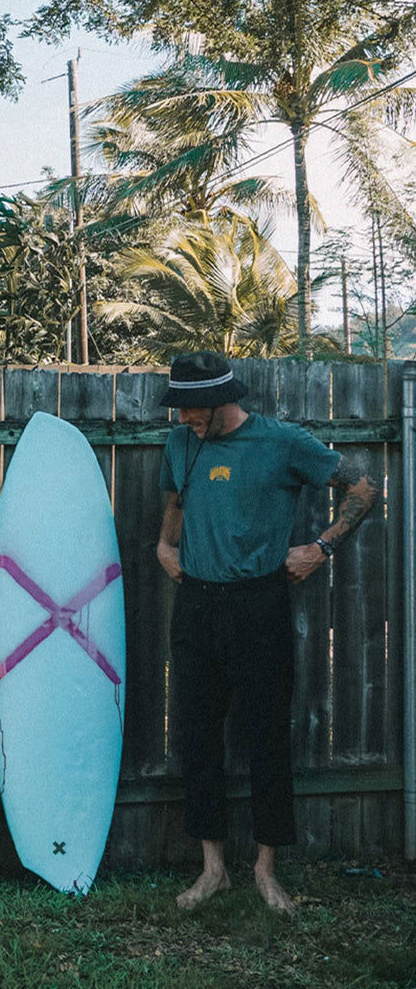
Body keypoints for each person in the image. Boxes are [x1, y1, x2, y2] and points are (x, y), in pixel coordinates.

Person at [155, 351, 378, 914]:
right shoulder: (182, 443)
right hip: (196, 606)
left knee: (266, 737)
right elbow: (177, 496)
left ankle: (264, 870)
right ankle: (213, 869)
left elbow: (363, 488)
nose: (182, 418)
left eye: (190, 408)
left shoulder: (283, 442)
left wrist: (322, 547)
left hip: (260, 605)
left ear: (220, 400)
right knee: (197, 735)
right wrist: (165, 543)